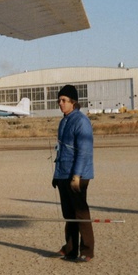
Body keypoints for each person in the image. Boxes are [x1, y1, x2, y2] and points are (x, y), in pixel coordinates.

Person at [52, 84, 95, 262]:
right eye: (59, 100)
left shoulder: (81, 121)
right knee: (68, 214)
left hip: (78, 176)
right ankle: (70, 248)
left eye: (64, 100)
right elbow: (61, 151)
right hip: (63, 174)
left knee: (80, 214)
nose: (60, 103)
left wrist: (76, 176)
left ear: (73, 102)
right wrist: (56, 175)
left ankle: (87, 250)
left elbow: (84, 151)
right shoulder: (64, 121)